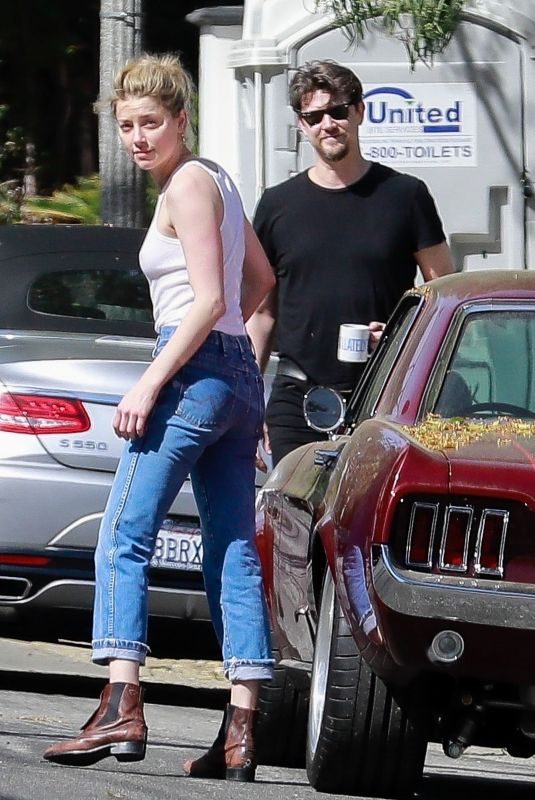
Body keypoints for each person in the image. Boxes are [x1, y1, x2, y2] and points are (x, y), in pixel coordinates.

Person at [43, 53, 275, 783]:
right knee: (232, 548)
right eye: (127, 126)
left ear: (182, 119)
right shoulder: (219, 184)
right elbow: (261, 282)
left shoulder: (187, 184)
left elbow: (208, 298)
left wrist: (148, 382)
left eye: (151, 123)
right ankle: (240, 730)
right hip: (232, 377)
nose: (138, 138)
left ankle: (120, 699)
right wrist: (246, 375)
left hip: (195, 372)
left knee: (123, 531)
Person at [248, 60, 455, 468]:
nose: (328, 123)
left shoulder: (406, 196)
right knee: (295, 523)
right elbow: (262, 313)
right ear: (301, 124)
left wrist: (398, 334)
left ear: (359, 112)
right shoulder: (276, 205)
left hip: (386, 397)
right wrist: (251, 402)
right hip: (297, 399)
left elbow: (443, 296)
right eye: (314, 116)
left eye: (338, 111)